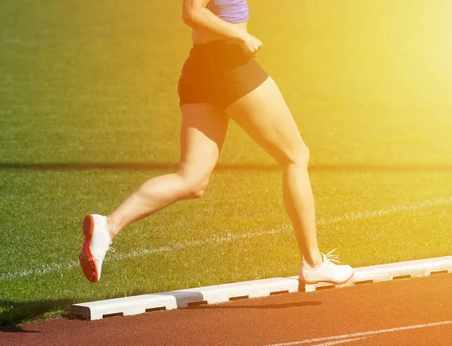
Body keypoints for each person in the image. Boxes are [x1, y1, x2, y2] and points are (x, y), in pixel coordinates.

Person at [79, 0, 354, 285]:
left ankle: (107, 226)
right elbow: (192, 13)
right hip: (230, 67)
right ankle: (312, 262)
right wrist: (240, 35)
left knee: (191, 180)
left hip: (201, 69)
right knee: (295, 156)